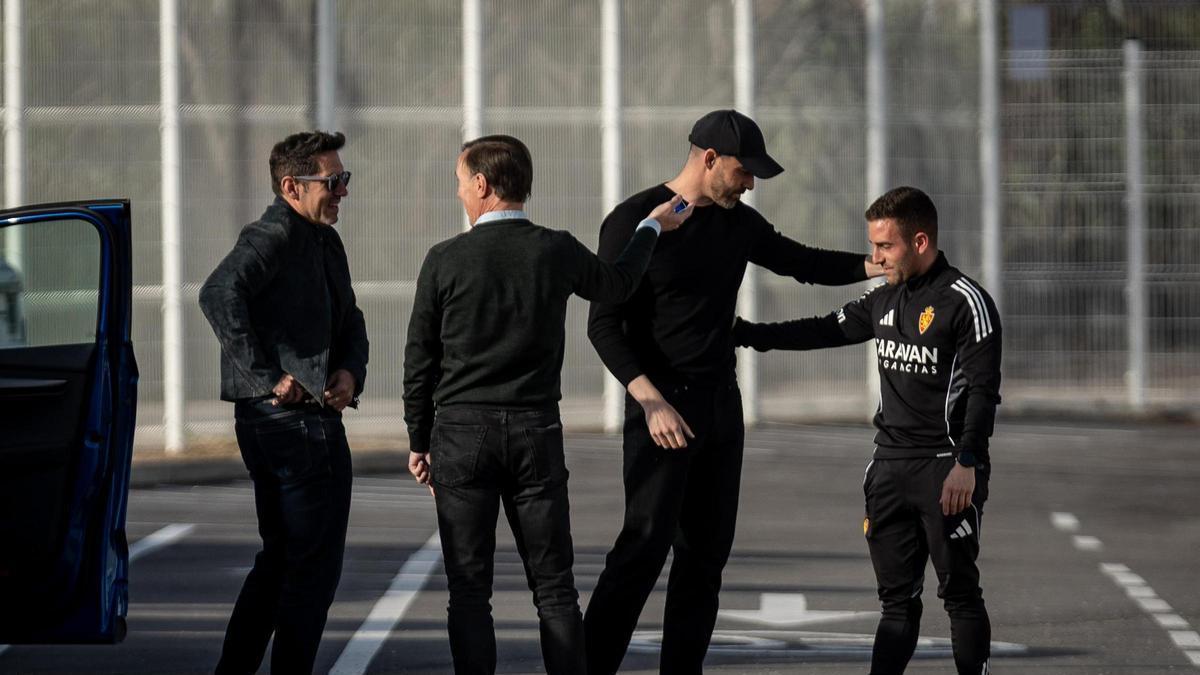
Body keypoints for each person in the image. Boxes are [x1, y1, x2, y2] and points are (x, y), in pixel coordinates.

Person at [584, 109, 882, 674]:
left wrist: (874, 265)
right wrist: (650, 400)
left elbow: (802, 263)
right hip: (661, 409)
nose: (750, 185)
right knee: (642, 550)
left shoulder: (737, 223)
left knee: (704, 560)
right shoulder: (634, 220)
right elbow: (603, 325)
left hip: (720, 406)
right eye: (745, 172)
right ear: (709, 158)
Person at [402, 134, 693, 675]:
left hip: (462, 434)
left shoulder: (444, 259)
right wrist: (651, 227)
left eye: (462, 182)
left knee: (469, 590)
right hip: (536, 429)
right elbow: (619, 284)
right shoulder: (554, 249)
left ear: (483, 186)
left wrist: (420, 440)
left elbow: (421, 358)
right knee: (555, 588)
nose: (460, 191)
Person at [733, 186, 1001, 674]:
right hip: (889, 469)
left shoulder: (967, 303)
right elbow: (822, 329)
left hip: (946, 469)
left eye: (885, 247)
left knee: (959, 593)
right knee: (896, 604)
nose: (874, 257)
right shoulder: (884, 298)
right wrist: (747, 334)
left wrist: (967, 462)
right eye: (873, 246)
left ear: (920, 241)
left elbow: (983, 392)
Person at [199, 130, 368, 675]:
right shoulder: (273, 233)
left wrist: (349, 370)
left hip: (298, 420)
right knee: (311, 568)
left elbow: (351, 319)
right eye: (333, 181)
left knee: (282, 563)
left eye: (344, 179)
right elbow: (219, 292)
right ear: (292, 186)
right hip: (290, 426)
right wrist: (270, 375)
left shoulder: (322, 239)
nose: (342, 190)